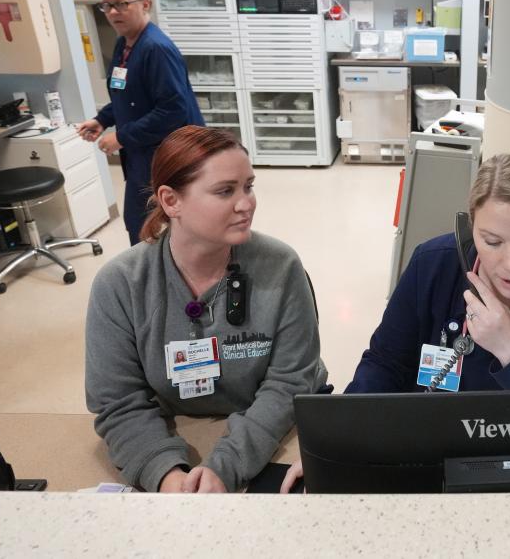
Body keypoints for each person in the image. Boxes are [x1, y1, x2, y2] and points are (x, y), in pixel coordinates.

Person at [280, 153, 510, 492]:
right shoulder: (432, 266)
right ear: (471, 225)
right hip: (432, 457)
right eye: (492, 241)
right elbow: (386, 363)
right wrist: (337, 445)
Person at [86, 126, 328, 494]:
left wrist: (224, 468)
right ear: (170, 201)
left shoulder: (281, 267)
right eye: (225, 191)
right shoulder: (120, 285)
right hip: (175, 431)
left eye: (249, 186)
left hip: (272, 431)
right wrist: (165, 474)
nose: (246, 203)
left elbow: (289, 383)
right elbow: (119, 402)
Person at [76, 0, 204, 246]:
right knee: (141, 225)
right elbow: (128, 95)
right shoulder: (125, 45)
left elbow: (173, 110)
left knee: (161, 227)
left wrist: (121, 137)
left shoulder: (155, 49)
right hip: (142, 154)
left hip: (167, 154)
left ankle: (168, 283)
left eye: (120, 4)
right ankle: (152, 279)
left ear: (145, 3)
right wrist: (102, 119)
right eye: (106, 5)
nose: (111, 12)